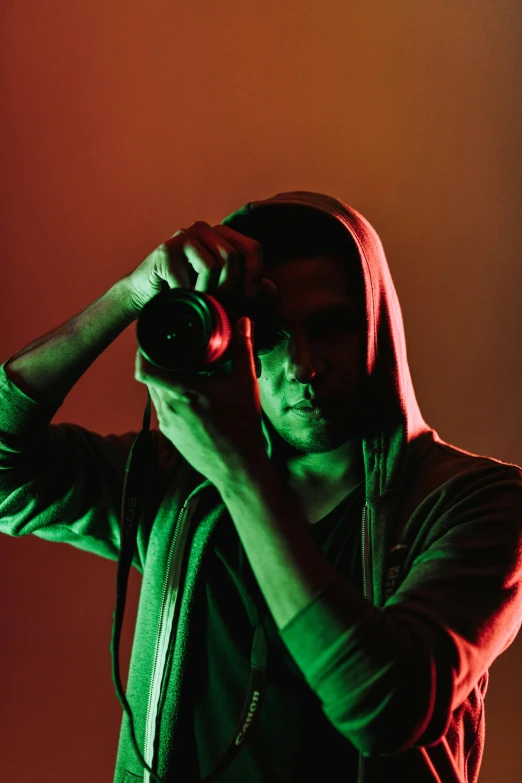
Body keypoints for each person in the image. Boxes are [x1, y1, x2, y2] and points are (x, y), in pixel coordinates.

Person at [1, 190, 521, 783]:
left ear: (377, 324)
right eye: (269, 336)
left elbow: (387, 706)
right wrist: (131, 294)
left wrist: (239, 472)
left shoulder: (477, 502)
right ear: (227, 339)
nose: (303, 364)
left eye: (331, 327)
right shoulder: (181, 486)